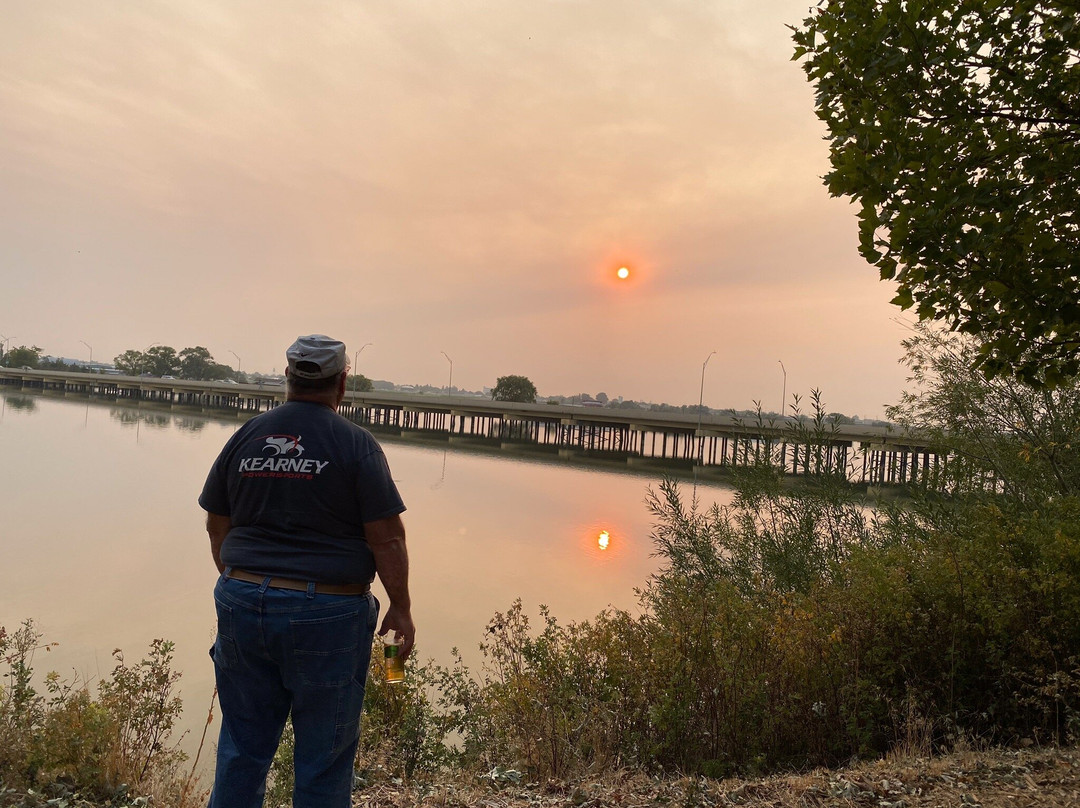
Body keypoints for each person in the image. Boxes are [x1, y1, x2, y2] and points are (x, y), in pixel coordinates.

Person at [198, 334, 413, 808]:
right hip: (328, 614)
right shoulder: (356, 444)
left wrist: (242, 581)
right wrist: (400, 607)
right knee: (323, 758)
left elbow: (217, 525)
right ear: (342, 384)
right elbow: (387, 537)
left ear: (288, 378)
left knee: (241, 751)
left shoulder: (247, 435)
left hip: (241, 600)